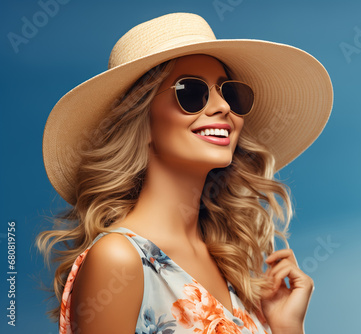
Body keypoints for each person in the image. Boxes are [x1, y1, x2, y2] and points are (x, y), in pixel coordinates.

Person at [37, 12, 333, 334]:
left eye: (229, 92)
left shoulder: (229, 267)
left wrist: (287, 327)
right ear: (143, 122)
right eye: (191, 92)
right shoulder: (119, 260)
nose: (222, 107)